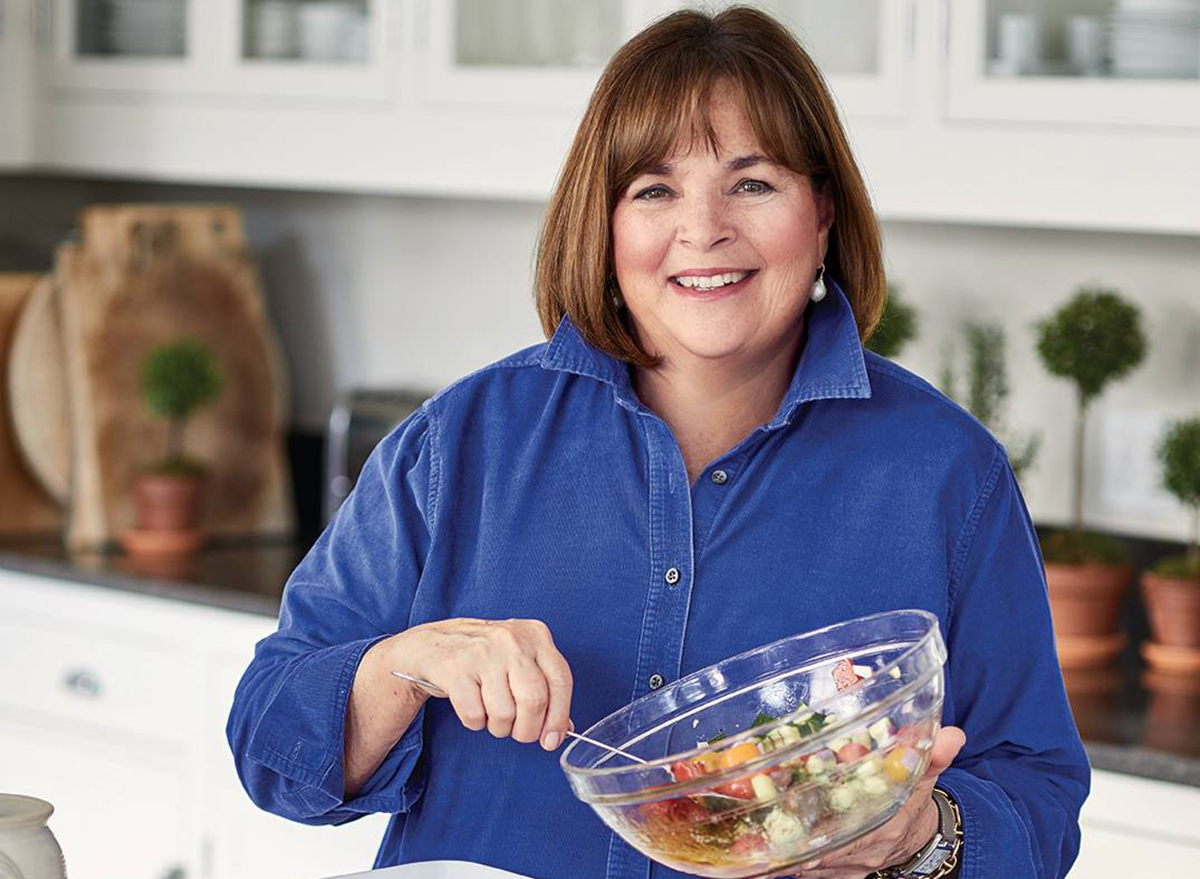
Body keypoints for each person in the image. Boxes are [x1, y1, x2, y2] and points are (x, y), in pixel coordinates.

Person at [227, 7, 1089, 879]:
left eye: (753, 183)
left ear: (822, 211)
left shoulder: (945, 471)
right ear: (602, 225)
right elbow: (269, 744)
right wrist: (402, 666)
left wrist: (920, 835)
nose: (703, 228)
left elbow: (1040, 804)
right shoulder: (461, 441)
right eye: (653, 189)